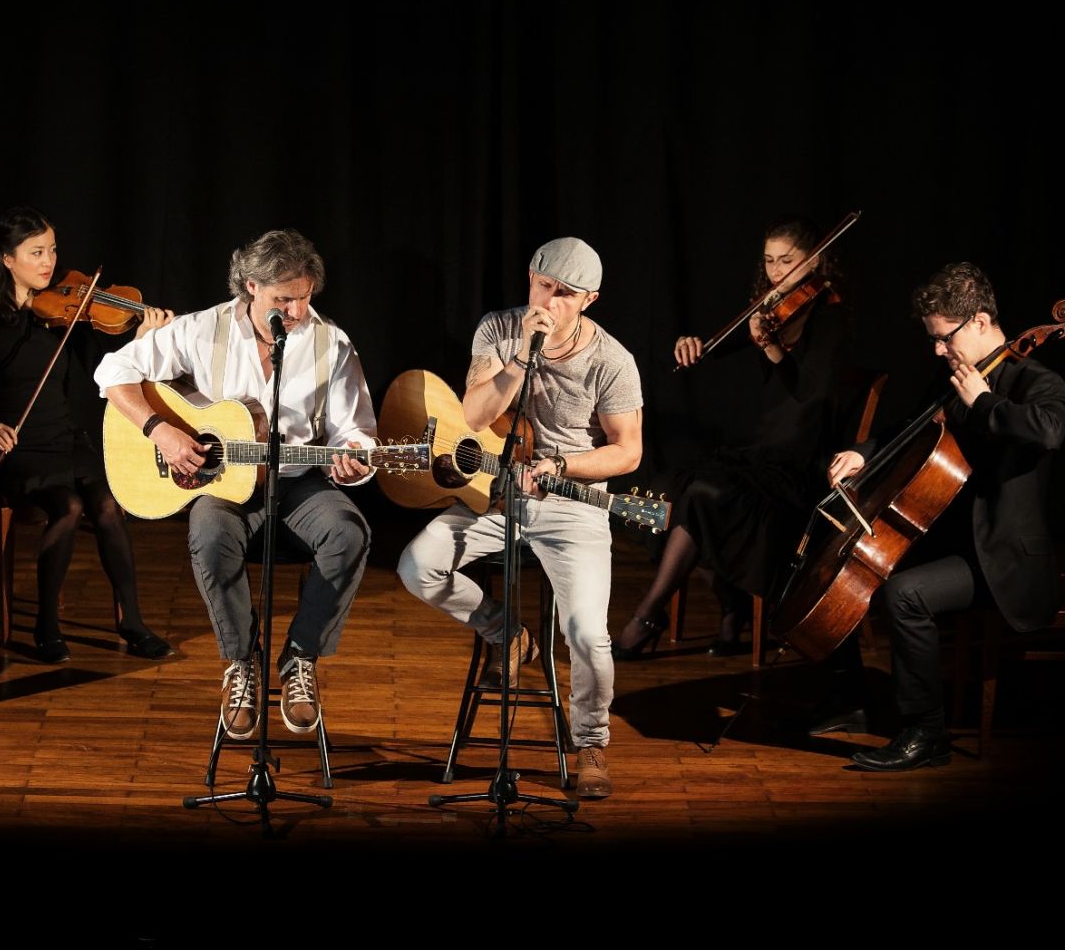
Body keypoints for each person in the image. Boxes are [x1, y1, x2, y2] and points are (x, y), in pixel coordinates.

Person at [95, 229, 376, 740]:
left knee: (349, 531)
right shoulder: (201, 330)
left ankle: (300, 659)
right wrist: (161, 431)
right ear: (251, 287)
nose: (296, 311)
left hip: (295, 482)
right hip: (224, 488)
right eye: (283, 300)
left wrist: (355, 459)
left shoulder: (331, 342)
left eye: (304, 298)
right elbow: (113, 371)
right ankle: (241, 663)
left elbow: (354, 431)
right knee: (208, 533)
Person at [396, 238, 643, 799]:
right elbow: (474, 414)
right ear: (531, 276)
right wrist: (519, 360)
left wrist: (563, 465)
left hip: (571, 504)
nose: (549, 302)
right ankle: (506, 633)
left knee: (587, 634)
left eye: (565, 294)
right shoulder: (499, 329)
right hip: (495, 495)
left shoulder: (612, 360)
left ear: (589, 300)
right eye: (543, 286)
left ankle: (591, 743)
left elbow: (628, 452)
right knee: (418, 566)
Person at [825, 263, 1064, 771]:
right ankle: (853, 700)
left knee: (905, 593)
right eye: (933, 339)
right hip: (956, 539)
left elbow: (1049, 430)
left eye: (944, 338)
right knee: (858, 567)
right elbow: (908, 428)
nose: (938, 350)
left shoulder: (1035, 380)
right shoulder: (956, 377)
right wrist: (864, 453)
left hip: (1006, 557)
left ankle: (925, 734)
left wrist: (984, 403)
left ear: (979, 321)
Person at [612, 216, 855, 661]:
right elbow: (721, 344)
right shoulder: (773, 308)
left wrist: (770, 346)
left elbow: (808, 392)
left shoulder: (831, 314)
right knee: (662, 492)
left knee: (703, 495)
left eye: (787, 261)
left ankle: (649, 614)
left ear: (815, 260)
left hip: (801, 461)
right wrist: (695, 345)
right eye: (769, 261)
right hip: (762, 452)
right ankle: (731, 604)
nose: (776, 271)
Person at [0, 206, 176, 663]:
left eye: (52, 250)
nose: (49, 261)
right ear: (7, 259)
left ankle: (132, 621)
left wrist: (143, 338)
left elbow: (105, 371)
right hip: (17, 446)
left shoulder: (65, 313)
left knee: (108, 505)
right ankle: (46, 624)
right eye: (36, 252)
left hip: (66, 439)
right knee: (67, 507)